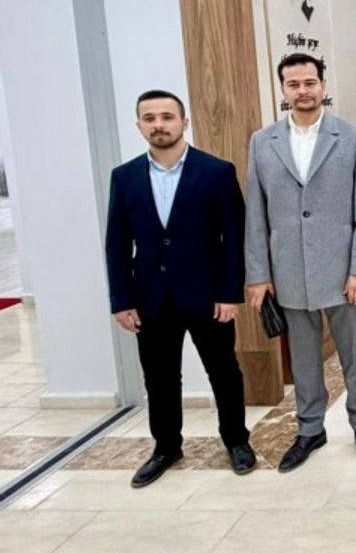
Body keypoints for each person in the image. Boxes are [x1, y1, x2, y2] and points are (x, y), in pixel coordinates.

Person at [104, 90, 255, 487]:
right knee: (159, 378)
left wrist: (230, 293)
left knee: (224, 372)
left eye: (167, 117)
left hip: (208, 297)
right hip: (150, 299)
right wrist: (121, 300)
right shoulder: (124, 177)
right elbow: (117, 244)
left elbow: (234, 238)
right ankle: (166, 447)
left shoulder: (217, 172)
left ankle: (237, 440)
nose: (159, 125)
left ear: (184, 122)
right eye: (150, 118)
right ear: (139, 126)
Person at [245, 53, 356, 472]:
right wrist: (258, 274)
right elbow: (256, 213)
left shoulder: (353, 138)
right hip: (288, 271)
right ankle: (309, 429)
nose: (303, 91)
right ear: (283, 90)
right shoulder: (262, 141)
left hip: (344, 273)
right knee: (304, 360)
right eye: (294, 84)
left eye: (310, 82)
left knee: (355, 356)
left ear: (323, 86)